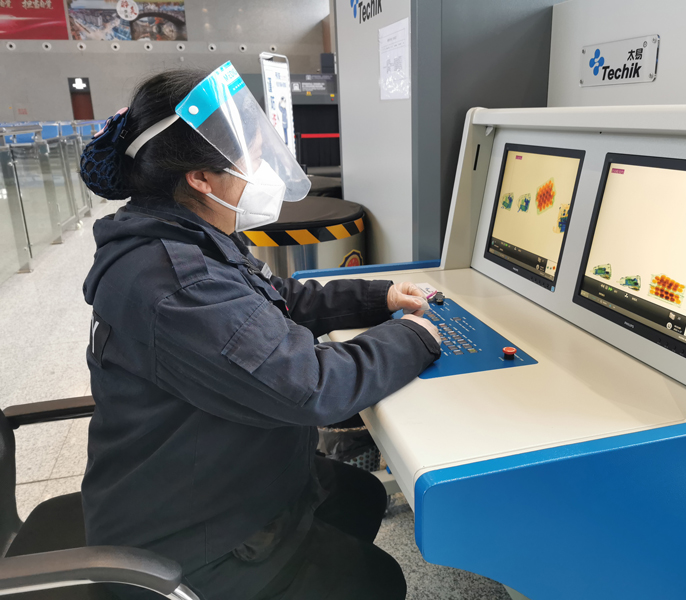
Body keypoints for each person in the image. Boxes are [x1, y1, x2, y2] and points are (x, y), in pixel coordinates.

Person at [79, 66, 441, 600]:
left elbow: (275, 299)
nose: (262, 170)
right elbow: (312, 386)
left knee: (360, 497)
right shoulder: (176, 281)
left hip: (218, 470)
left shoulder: (181, 232)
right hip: (191, 541)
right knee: (378, 582)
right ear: (200, 178)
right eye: (250, 158)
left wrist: (379, 297)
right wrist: (416, 337)